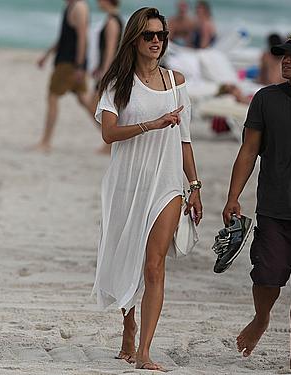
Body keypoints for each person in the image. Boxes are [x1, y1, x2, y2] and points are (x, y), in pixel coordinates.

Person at [91, 7, 203, 371]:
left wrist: (195, 186)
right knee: (126, 257)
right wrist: (150, 125)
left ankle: (145, 350)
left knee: (154, 267)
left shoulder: (176, 81)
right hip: (127, 182)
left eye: (161, 35)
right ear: (134, 39)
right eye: (148, 35)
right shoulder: (117, 83)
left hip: (166, 182)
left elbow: (184, 140)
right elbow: (109, 133)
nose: (156, 41)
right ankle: (128, 325)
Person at [222, 29, 291, 375]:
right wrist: (233, 196)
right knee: (265, 277)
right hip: (274, 206)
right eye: (284, 54)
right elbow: (249, 150)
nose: (286, 59)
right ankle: (262, 317)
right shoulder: (265, 99)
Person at [35, 0, 93, 152]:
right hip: (69, 62)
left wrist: (80, 66)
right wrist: (47, 55)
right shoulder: (70, 6)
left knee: (52, 97)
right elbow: (64, 38)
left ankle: (45, 141)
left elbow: (83, 38)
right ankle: (109, 136)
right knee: (84, 99)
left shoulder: (79, 7)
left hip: (69, 63)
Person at [91, 0, 123, 104]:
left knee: (94, 104)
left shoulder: (112, 21)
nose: (98, 2)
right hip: (111, 69)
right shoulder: (114, 18)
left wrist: (104, 73)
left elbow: (110, 50)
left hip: (110, 71)